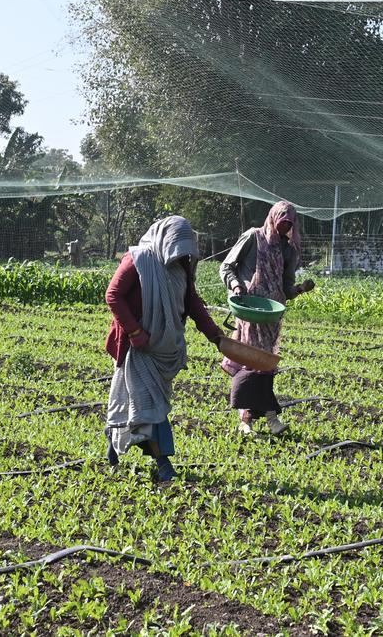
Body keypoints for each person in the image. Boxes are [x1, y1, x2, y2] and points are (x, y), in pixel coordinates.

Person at [104, 215, 224, 482]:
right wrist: (135, 332)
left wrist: (216, 336)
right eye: (177, 248)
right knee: (152, 407)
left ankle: (112, 440)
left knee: (139, 404)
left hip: (164, 349)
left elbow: (193, 304)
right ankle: (163, 464)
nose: (181, 256)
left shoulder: (180, 266)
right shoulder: (139, 260)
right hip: (138, 348)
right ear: (164, 240)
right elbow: (113, 295)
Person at [220, 201, 315, 435]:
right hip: (250, 311)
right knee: (252, 364)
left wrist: (301, 289)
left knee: (265, 366)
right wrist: (236, 286)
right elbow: (227, 267)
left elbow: (286, 288)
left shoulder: (288, 250)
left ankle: (260, 419)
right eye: (282, 222)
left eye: (289, 224)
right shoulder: (253, 237)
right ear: (273, 218)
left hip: (272, 315)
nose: (285, 228)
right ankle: (254, 419)